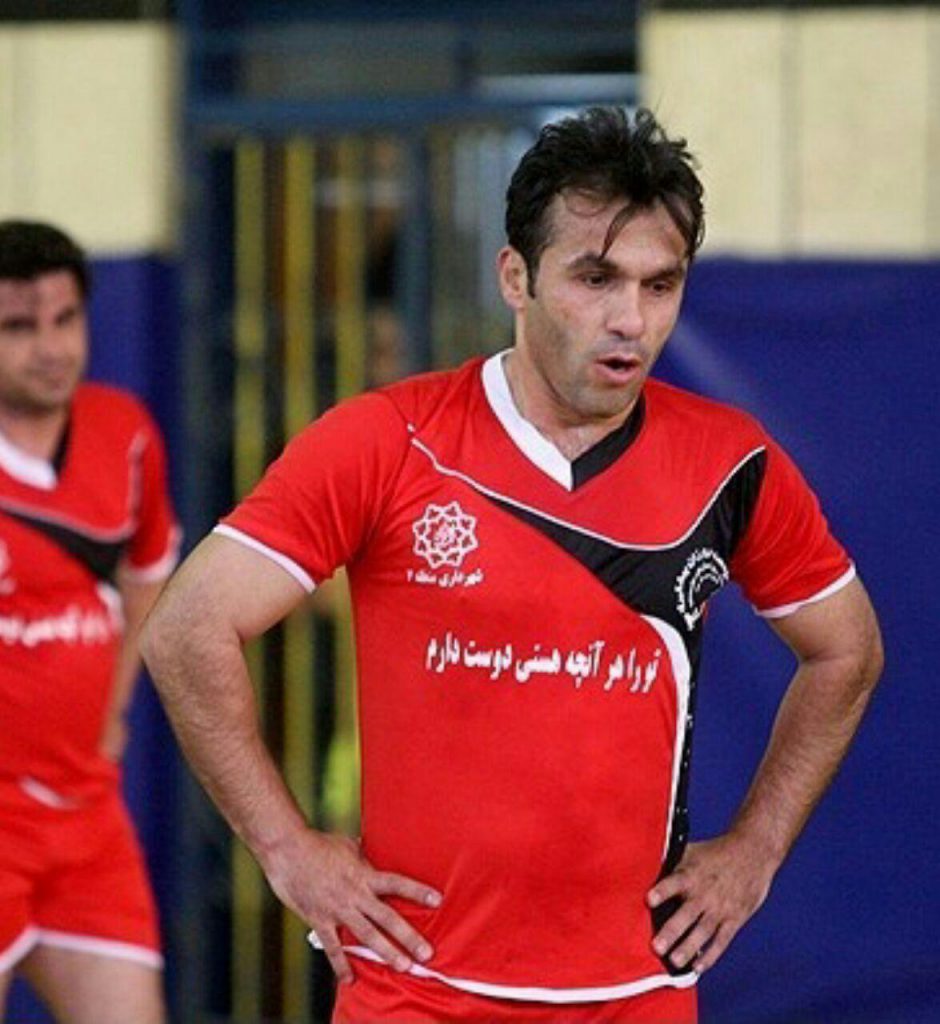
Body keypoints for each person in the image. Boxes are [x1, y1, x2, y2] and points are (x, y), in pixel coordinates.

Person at [140, 107, 883, 1023]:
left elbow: (846, 649)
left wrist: (757, 850)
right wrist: (284, 847)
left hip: (635, 995)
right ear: (516, 278)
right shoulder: (387, 441)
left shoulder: (732, 463)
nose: (630, 319)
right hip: (415, 993)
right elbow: (186, 629)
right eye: (595, 278)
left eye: (660, 285)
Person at [0, 222, 178, 1024]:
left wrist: (114, 711)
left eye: (65, 319)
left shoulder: (125, 433)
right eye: (19, 326)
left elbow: (149, 573)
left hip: (85, 818)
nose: (50, 348)